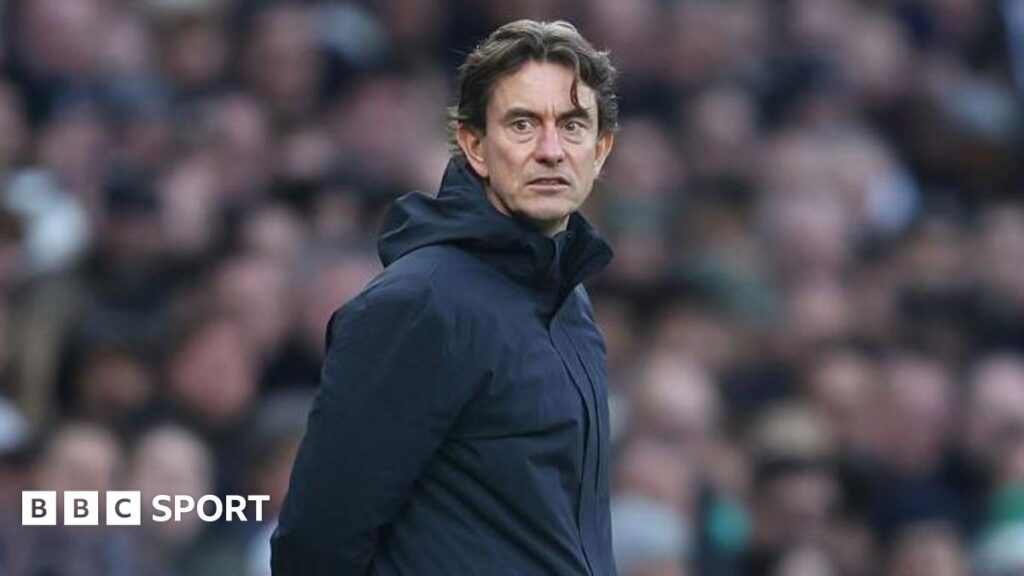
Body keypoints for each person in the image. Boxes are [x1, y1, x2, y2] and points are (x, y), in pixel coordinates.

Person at [271, 19, 619, 576]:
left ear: (600, 151)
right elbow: (316, 542)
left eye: (573, 126)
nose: (552, 151)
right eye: (523, 124)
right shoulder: (419, 303)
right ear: (474, 145)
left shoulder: (571, 301)